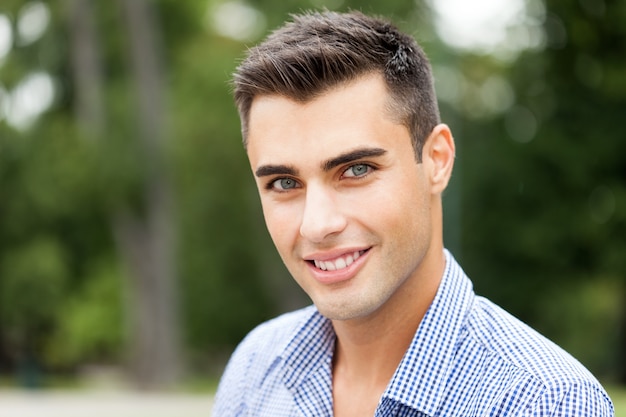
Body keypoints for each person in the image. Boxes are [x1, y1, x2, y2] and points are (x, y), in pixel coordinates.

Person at [212, 10, 614, 417]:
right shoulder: (256, 370)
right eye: (284, 183)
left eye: (356, 170)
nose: (317, 224)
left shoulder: (546, 402)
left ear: (437, 160)